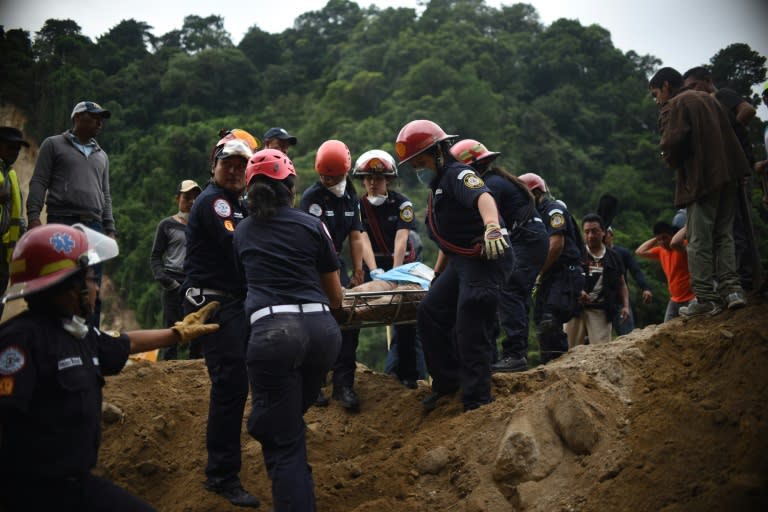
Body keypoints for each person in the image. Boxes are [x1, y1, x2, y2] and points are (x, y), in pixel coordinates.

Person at [0, 223, 219, 512]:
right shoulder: (21, 340)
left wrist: (176, 333)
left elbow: (123, 344)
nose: (96, 288)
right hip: (30, 492)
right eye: (91, 279)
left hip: (76, 486)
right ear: (66, 286)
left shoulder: (77, 334)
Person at [233, 148, 343, 512]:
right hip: (322, 332)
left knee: (281, 439)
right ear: (291, 188)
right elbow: (336, 296)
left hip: (273, 333)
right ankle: (275, 432)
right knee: (289, 420)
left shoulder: (243, 231)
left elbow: (241, 285)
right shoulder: (313, 226)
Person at [394, 120, 510, 412]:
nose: (418, 169)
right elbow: (448, 240)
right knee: (430, 312)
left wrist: (492, 226)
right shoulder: (438, 187)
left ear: (437, 153)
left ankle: (477, 399)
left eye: (420, 162)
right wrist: (436, 275)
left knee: (471, 321)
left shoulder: (458, 174)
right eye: (414, 165)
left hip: (484, 257)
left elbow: (483, 197)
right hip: (460, 263)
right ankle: (447, 383)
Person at [181, 130, 260, 508]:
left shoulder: (237, 202)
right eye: (227, 163)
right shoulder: (217, 204)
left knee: (247, 375)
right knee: (230, 383)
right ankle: (221, 475)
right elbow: (239, 249)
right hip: (214, 304)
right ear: (213, 166)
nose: (234, 170)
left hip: (235, 301)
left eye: (241, 164)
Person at [649, 67, 749, 316]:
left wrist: (668, 156)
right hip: (729, 174)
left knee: (698, 239)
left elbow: (670, 142)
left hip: (702, 178)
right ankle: (731, 290)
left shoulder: (677, 103)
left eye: (656, 93)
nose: (657, 100)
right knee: (723, 234)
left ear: (667, 87)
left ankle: (705, 297)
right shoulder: (708, 98)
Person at [450, 139, 549, 373]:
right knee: (518, 293)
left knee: (509, 290)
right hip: (532, 238)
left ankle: (515, 354)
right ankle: (517, 352)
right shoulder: (497, 179)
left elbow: (479, 221)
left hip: (526, 239)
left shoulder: (490, 186)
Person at [27, 100, 116, 327]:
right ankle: (58, 336)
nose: (99, 122)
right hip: (62, 223)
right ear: (77, 118)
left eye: (101, 119)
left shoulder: (101, 155)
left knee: (92, 282)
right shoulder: (54, 145)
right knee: (62, 280)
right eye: (94, 117)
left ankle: (90, 340)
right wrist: (34, 217)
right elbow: (39, 181)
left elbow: (105, 194)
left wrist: (110, 228)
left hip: (94, 228)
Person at [299, 139, 366, 410]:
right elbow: (309, 240)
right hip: (312, 265)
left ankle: (343, 385)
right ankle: (312, 386)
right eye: (325, 177)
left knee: (348, 320)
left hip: (338, 263)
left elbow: (356, 235)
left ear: (345, 173)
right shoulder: (311, 197)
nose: (329, 181)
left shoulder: (351, 196)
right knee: (315, 324)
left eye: (335, 176)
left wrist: (359, 270)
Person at [682, 66, 760, 291]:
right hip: (727, 172)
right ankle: (737, 278)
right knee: (728, 226)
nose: (692, 92)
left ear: (707, 81)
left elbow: (747, 110)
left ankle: (745, 280)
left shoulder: (721, 96)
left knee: (737, 225)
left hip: (737, 170)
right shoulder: (705, 106)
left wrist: (725, 134)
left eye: (694, 86)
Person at [351, 149, 420, 388]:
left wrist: (395, 273)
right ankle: (346, 374)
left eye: (378, 178)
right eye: (368, 178)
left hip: (400, 264)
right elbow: (362, 239)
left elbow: (402, 240)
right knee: (352, 312)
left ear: (388, 180)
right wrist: (372, 269)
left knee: (406, 320)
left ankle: (409, 376)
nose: (372, 183)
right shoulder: (357, 206)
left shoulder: (402, 204)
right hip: (372, 264)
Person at [517, 172, 585, 363]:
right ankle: (549, 366)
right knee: (540, 321)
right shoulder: (532, 217)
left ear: (537, 193)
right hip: (550, 275)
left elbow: (556, 245)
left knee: (550, 320)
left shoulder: (553, 210)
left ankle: (559, 366)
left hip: (566, 272)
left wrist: (537, 272)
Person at [149, 179, 202, 360]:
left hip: (194, 282)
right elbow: (156, 257)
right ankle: (167, 373)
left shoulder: (201, 226)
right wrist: (166, 281)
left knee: (196, 327)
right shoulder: (166, 225)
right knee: (171, 329)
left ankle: (195, 373)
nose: (191, 201)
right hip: (173, 281)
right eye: (187, 197)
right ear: (177, 198)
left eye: (196, 198)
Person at [565, 214, 629, 347]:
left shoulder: (614, 257)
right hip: (575, 310)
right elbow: (566, 277)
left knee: (601, 351)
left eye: (594, 231)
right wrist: (578, 291)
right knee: (569, 351)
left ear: (603, 232)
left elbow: (621, 283)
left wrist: (626, 306)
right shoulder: (575, 254)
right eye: (587, 232)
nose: (590, 236)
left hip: (601, 311)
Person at [635, 220, 694, 321]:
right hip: (674, 299)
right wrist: (657, 238)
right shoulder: (660, 251)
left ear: (672, 235)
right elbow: (639, 251)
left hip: (691, 297)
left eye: (665, 238)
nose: (662, 242)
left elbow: (677, 242)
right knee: (665, 330)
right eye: (659, 240)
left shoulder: (683, 246)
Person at [0, 126, 28, 319]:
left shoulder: (10, 173)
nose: (15, 152)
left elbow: (16, 215)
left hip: (4, 251)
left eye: (17, 148)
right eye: (10, 146)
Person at [604, 225, 652, 335]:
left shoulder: (622, 253)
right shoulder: (593, 255)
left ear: (612, 235)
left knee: (628, 335)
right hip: (601, 302)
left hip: (620, 300)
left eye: (606, 233)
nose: (603, 237)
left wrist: (645, 288)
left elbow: (636, 271)